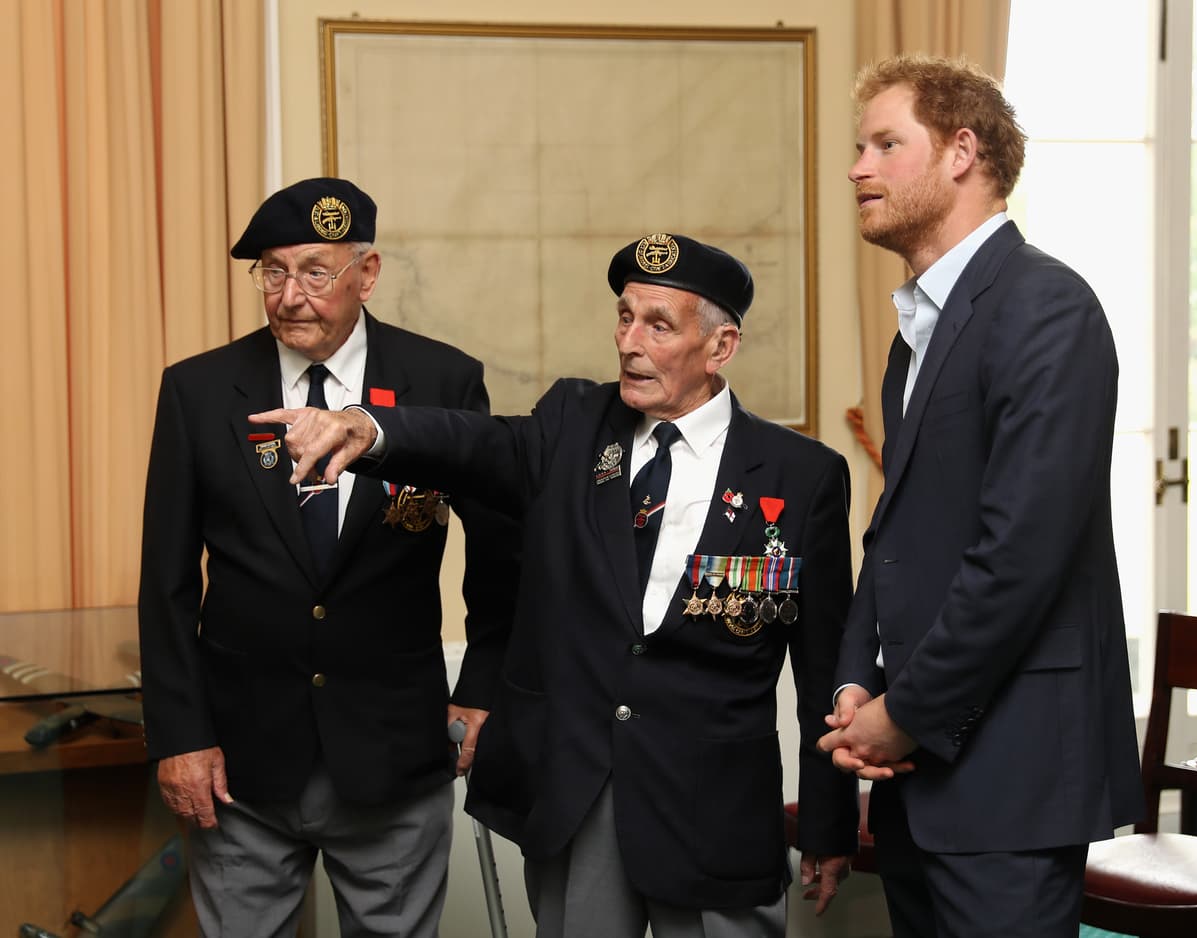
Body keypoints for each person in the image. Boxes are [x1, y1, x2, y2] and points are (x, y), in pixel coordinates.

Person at [250, 232, 861, 937]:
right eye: (624, 317)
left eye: (657, 325)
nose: (629, 341)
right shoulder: (574, 423)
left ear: (720, 347)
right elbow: (477, 445)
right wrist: (367, 428)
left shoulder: (800, 474)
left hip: (716, 813)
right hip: (583, 800)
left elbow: (825, 667)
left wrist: (828, 821)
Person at [816, 55, 1145, 937]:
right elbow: (893, 534)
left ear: (962, 152)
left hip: (1012, 775)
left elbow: (1020, 557)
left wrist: (903, 716)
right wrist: (856, 681)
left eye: (887, 144)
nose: (858, 167)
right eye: (860, 146)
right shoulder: (917, 333)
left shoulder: (1048, 307)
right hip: (921, 778)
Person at [138, 177, 518, 937]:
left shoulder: (441, 381)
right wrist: (180, 736)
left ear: (366, 274)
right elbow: (166, 581)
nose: (289, 296)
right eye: (272, 272)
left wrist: (482, 686)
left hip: (392, 752)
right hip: (239, 762)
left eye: (315, 272)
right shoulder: (200, 390)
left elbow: (502, 551)